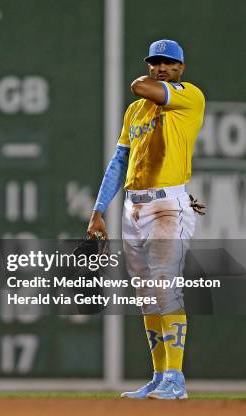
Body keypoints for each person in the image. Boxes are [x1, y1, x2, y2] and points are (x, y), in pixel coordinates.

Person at [87, 39, 205, 399]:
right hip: (133, 206)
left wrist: (150, 80)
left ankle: (176, 378)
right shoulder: (135, 112)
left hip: (167, 203)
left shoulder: (188, 96)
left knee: (166, 286)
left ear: (181, 69)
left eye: (169, 63)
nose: (161, 68)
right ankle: (159, 376)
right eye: (156, 62)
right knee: (147, 295)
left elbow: (141, 85)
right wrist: (98, 210)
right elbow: (119, 162)